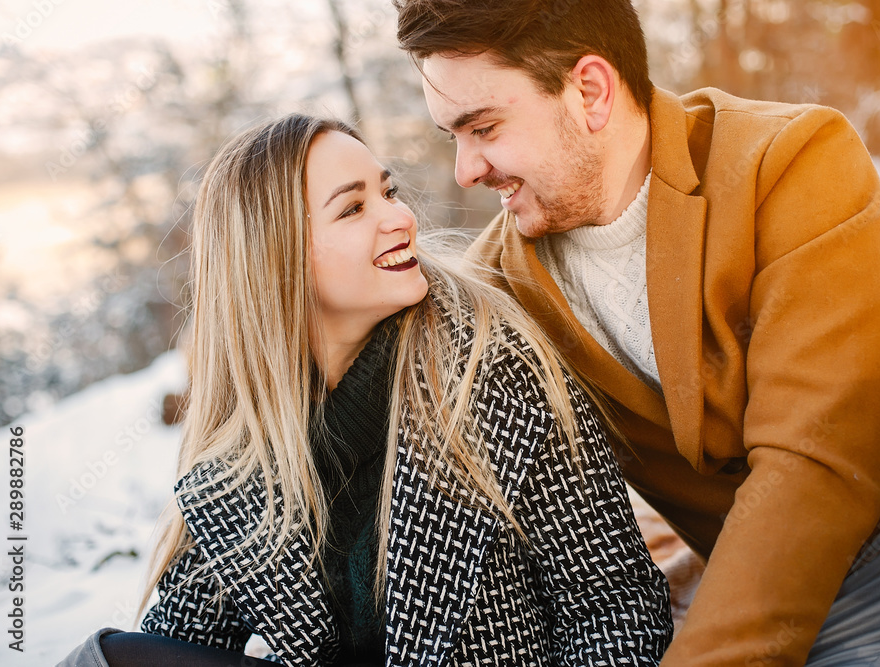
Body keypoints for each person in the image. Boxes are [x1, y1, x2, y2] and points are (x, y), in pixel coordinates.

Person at [393, 1, 880, 665]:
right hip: (833, 599)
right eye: (453, 137)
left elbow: (815, 459)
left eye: (482, 127)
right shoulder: (497, 299)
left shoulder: (786, 157)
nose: (465, 170)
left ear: (589, 91)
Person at [58, 114, 672, 666]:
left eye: (388, 192)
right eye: (353, 209)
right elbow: (183, 639)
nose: (400, 218)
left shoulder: (492, 372)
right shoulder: (241, 467)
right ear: (278, 258)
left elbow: (616, 605)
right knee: (113, 659)